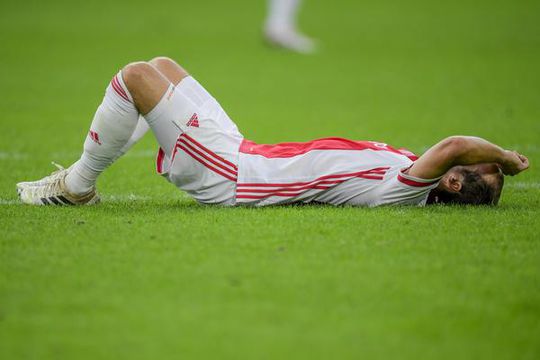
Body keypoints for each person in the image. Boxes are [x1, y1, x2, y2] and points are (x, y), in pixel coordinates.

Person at [17, 57, 529, 207]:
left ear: (454, 182)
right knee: (164, 67)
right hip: (242, 151)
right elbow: (457, 151)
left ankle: (77, 186)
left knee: (135, 77)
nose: (483, 159)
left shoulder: (407, 189)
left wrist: (503, 156)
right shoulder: (410, 173)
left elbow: (459, 145)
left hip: (233, 176)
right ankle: (120, 147)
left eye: (484, 169)